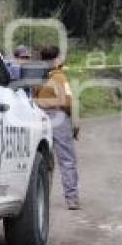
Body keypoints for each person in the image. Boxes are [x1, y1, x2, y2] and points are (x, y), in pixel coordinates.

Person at [34, 45, 80, 210]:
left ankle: (41, 198)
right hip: (59, 118)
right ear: (57, 59)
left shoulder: (38, 78)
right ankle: (72, 198)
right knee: (67, 159)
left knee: (43, 160)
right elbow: (67, 102)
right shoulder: (60, 78)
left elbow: (33, 99)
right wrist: (74, 123)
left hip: (41, 118)